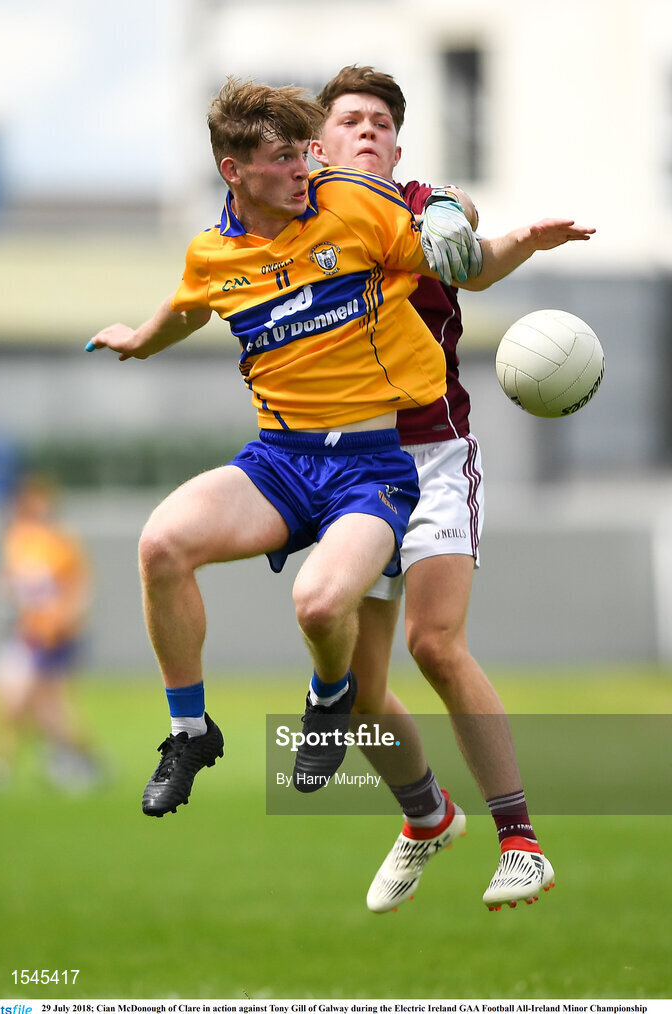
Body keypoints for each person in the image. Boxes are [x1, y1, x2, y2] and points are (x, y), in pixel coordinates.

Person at [86, 78, 513, 827]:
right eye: (283, 158)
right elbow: (188, 306)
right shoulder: (215, 251)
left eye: (304, 153)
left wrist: (476, 219)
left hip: (374, 469)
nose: (301, 169)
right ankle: (190, 733)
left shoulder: (351, 204)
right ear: (234, 171)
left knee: (318, 605)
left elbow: (452, 245)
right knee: (160, 545)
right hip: (279, 461)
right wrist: (139, 339)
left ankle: (328, 699)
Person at [311, 64, 595, 912]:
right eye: (350, 119)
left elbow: (463, 248)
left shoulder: (423, 203)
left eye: (380, 122)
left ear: (398, 144)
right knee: (360, 691)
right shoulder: (300, 222)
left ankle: (520, 842)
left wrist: (515, 243)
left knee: (435, 645)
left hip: (433, 457)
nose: (366, 129)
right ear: (317, 144)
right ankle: (425, 816)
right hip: (349, 467)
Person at [0, 474, 100, 792]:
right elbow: (16, 583)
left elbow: (78, 590)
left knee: (39, 705)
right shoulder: (19, 538)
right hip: (27, 634)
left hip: (53, 636)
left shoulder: (61, 543)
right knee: (20, 702)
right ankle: (55, 760)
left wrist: (63, 622)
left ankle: (72, 760)